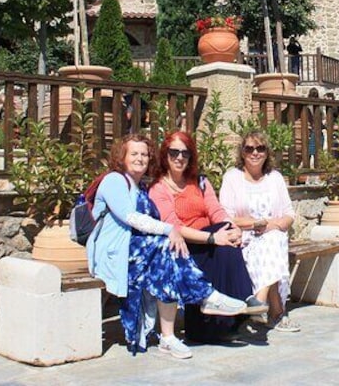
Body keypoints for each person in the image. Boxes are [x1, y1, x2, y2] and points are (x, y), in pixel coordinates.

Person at [86, 134, 250, 359]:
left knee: (166, 258)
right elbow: (130, 217)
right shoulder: (114, 180)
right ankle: (204, 298)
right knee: (166, 248)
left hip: (135, 251)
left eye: (144, 154)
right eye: (134, 153)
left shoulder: (137, 185)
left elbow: (214, 211)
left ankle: (170, 335)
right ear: (122, 156)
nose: (140, 158)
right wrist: (169, 230)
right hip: (113, 254)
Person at [149, 131, 266, 343]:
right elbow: (174, 226)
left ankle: (238, 308)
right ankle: (245, 297)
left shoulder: (200, 182)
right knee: (222, 241)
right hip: (184, 248)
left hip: (210, 241)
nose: (179, 157)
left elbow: (216, 211)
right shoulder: (158, 189)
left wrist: (232, 228)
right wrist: (212, 238)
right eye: (174, 152)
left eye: (185, 153)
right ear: (165, 155)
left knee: (226, 235)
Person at [219, 130, 301, 332]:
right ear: (242, 153)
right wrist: (255, 224)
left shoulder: (275, 178)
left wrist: (273, 225)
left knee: (272, 240)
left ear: (267, 152)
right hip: (244, 238)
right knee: (271, 248)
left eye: (260, 148)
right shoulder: (232, 178)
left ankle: (259, 301)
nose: (255, 153)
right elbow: (225, 217)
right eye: (249, 149)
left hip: (272, 235)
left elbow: (289, 214)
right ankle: (276, 311)